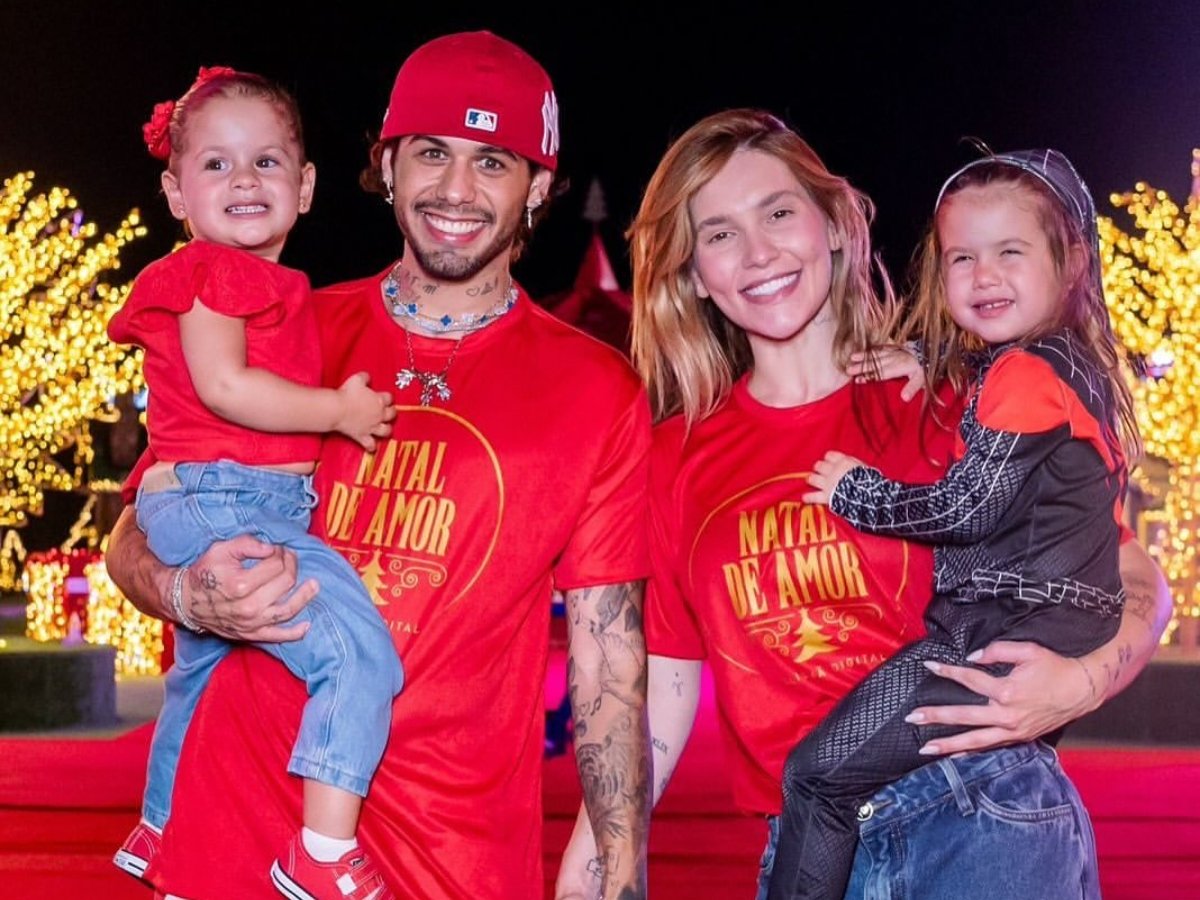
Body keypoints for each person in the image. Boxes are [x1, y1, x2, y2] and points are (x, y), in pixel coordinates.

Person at [555, 109, 1171, 900]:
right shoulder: (674, 458)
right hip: (812, 846)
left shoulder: (953, 402)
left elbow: (1130, 573)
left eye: (778, 213)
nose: (758, 253)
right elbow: (660, 700)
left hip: (979, 814)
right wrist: (597, 862)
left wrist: (1084, 682)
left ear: (836, 227)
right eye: (719, 234)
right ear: (692, 273)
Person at [105, 31, 652, 900]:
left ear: (539, 188)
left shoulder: (598, 391)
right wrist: (183, 594)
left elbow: (608, 675)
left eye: (494, 161)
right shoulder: (278, 327)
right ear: (387, 165)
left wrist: (617, 880)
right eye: (431, 153)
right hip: (240, 819)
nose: (456, 190)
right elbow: (137, 528)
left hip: (454, 852)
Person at [764, 148, 1141, 900]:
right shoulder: (1069, 365)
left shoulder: (1026, 375)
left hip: (996, 628)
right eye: (961, 257)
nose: (983, 275)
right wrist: (929, 355)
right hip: (1049, 624)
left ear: (1069, 263)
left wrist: (856, 492)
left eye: (1009, 252)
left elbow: (964, 509)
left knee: (814, 778)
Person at [106, 65, 402, 900]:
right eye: (216, 165)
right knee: (358, 654)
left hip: (211, 494)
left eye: (267, 162)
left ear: (305, 186)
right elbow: (225, 388)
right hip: (231, 498)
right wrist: (337, 410)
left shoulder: (268, 285)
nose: (244, 179)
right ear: (174, 192)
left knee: (194, 681)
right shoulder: (219, 271)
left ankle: (158, 824)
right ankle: (322, 850)